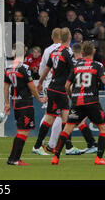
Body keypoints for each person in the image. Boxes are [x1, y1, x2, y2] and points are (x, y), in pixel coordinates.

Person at [51, 41, 105, 165]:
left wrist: (72, 97)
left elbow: (67, 86)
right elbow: (104, 80)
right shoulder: (97, 65)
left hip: (77, 102)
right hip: (92, 102)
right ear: (93, 52)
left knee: (67, 129)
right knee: (103, 128)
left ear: (82, 52)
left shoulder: (76, 66)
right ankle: (99, 158)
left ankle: (56, 157)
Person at [4, 42, 45, 165]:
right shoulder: (24, 68)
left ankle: (13, 158)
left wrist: (7, 103)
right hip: (25, 103)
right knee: (23, 131)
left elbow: (6, 88)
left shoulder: (8, 68)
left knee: (21, 131)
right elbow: (32, 87)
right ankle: (14, 159)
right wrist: (39, 98)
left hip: (16, 103)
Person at [34, 28, 74, 156]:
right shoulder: (67, 53)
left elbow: (46, 69)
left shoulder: (54, 51)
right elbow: (74, 72)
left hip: (51, 87)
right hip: (61, 88)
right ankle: (67, 147)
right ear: (69, 38)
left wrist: (39, 83)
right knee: (65, 118)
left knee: (51, 117)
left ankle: (38, 145)